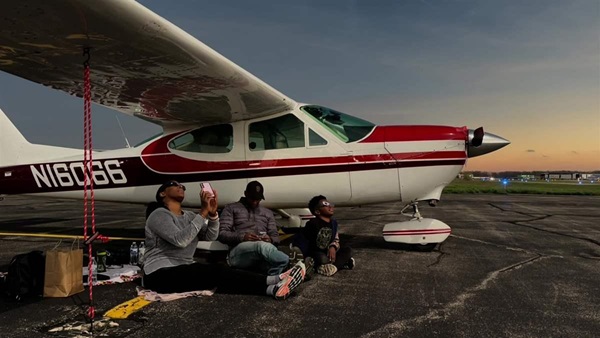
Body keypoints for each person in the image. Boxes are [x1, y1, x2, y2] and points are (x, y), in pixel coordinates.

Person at [142, 180, 305, 299]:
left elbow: (210, 236)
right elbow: (180, 240)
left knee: (219, 276)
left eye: (182, 186)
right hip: (159, 273)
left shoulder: (190, 216)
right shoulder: (159, 215)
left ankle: (271, 289)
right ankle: (273, 280)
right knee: (216, 272)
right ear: (162, 193)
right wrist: (204, 213)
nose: (180, 187)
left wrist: (213, 215)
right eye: (174, 184)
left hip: (183, 267)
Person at [218, 181, 289, 276]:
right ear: (245, 193)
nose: (255, 202)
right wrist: (242, 237)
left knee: (266, 255)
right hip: (238, 252)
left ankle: (273, 279)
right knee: (261, 247)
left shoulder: (267, 213)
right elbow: (222, 234)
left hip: (264, 251)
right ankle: (288, 262)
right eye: (252, 198)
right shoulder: (231, 208)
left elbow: (275, 236)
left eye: (258, 199)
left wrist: (270, 239)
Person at [303, 195, 355, 276]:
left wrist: (333, 246)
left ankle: (332, 267)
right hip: (318, 253)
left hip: (329, 252)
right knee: (322, 258)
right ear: (317, 211)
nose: (330, 206)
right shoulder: (312, 223)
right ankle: (336, 264)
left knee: (348, 250)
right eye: (325, 205)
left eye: (330, 204)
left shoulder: (333, 223)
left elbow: (336, 239)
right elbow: (305, 240)